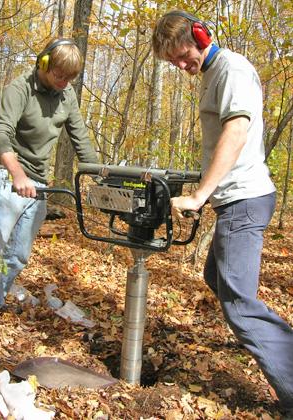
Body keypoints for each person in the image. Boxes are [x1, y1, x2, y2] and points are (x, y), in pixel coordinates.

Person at [152, 10, 293, 415]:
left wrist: (199, 195)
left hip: (244, 201)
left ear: (200, 35)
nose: (182, 66)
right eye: (173, 63)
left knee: (239, 304)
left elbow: (235, 133)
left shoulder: (231, 69)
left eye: (183, 56)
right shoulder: (212, 75)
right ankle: (265, 338)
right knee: (215, 277)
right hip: (237, 201)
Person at [0, 38, 98, 317]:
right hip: (11, 177)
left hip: (39, 185)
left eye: (69, 77)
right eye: (59, 75)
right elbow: (0, 133)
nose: (63, 81)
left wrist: (100, 176)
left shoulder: (67, 95)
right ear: (45, 63)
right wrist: (17, 174)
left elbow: (81, 138)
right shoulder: (20, 88)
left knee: (18, 255)